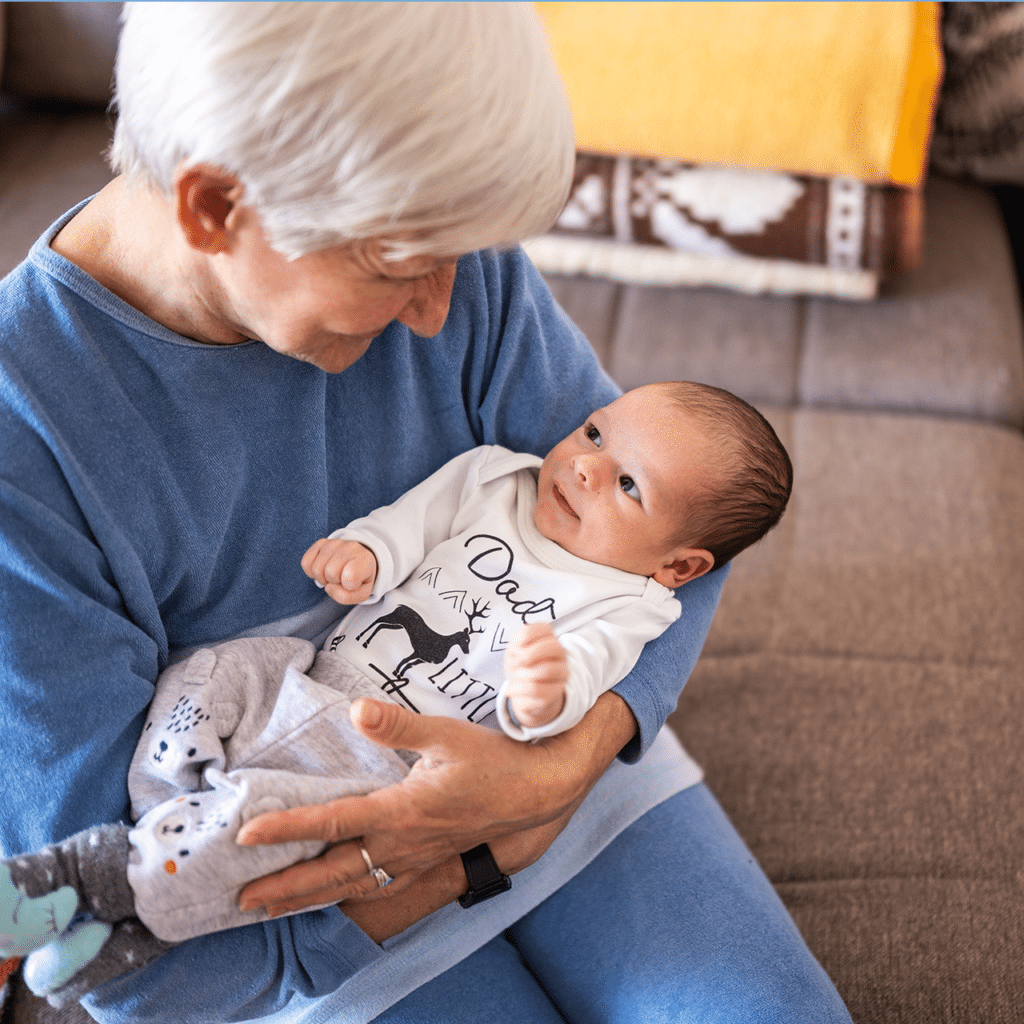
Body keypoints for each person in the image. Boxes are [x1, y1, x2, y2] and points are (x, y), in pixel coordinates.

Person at [0, 3, 853, 1022]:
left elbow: (682, 538)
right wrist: (471, 854)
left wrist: (561, 768)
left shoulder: (446, 247)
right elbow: (119, 950)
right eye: (400, 269)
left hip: (573, 791)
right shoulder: (26, 443)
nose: (444, 313)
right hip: (301, 916)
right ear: (217, 207)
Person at [0, 379, 794, 1002]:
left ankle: (85, 882)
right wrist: (369, 556)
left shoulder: (628, 604)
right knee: (214, 669)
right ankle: (159, 825)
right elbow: (410, 522)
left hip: (389, 761)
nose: (584, 463)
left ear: (680, 566)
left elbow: (572, 687)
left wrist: (542, 694)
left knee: (262, 821)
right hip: (311, 679)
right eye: (593, 432)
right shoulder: (495, 477)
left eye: (627, 485)